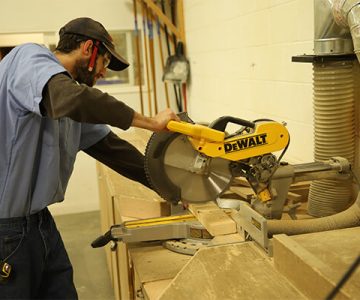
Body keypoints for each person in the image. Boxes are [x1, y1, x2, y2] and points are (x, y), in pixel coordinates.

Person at [0, 17, 179, 299]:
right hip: (6, 231)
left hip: (39, 223)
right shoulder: (30, 58)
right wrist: (151, 122)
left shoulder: (69, 99)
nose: (104, 73)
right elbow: (74, 99)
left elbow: (113, 150)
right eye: (105, 62)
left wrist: (174, 185)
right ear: (88, 49)